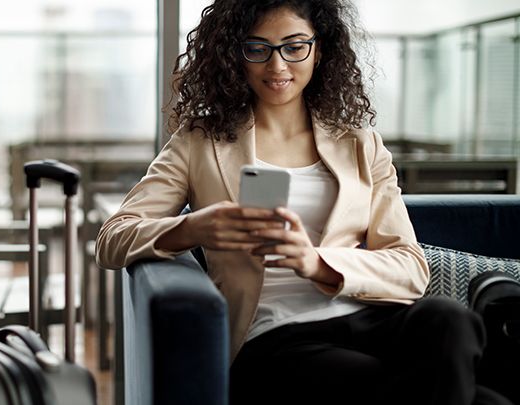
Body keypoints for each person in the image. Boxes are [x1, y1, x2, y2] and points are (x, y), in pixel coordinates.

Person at [95, 0, 511, 404]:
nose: (277, 66)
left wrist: (316, 262)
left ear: (319, 49)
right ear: (234, 55)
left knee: (450, 319)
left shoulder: (361, 145)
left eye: (294, 47)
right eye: (258, 48)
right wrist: (193, 227)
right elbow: (112, 239)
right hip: (271, 337)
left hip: (362, 313)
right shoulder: (198, 143)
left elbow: (410, 266)